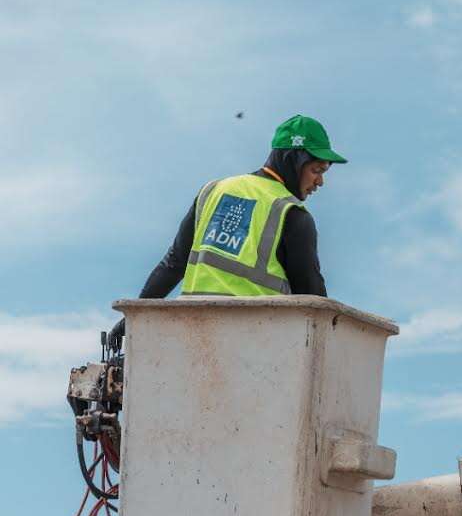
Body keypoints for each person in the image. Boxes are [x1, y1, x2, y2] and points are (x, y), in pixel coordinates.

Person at [108, 115, 345, 350]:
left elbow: (174, 263)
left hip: (190, 336)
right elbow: (313, 298)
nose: (320, 181)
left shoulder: (213, 191)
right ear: (293, 160)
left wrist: (134, 316)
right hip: (257, 346)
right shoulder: (292, 214)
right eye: (316, 170)